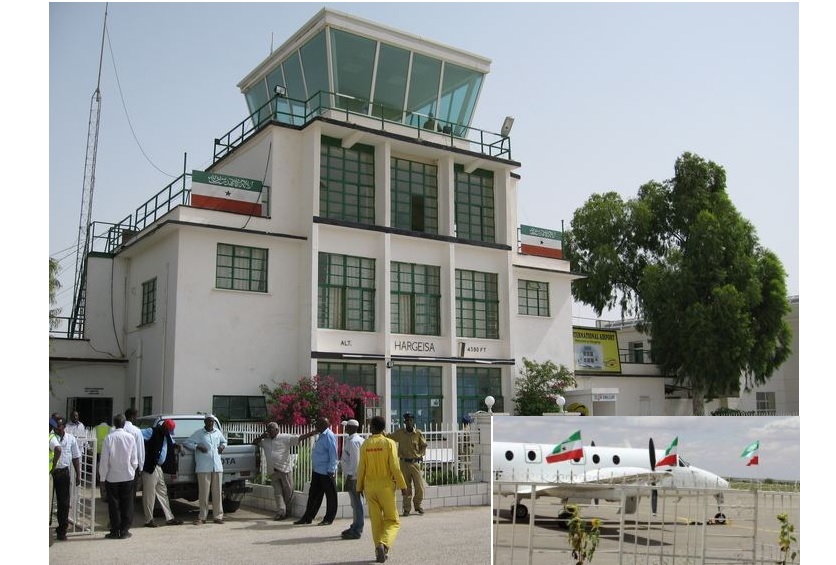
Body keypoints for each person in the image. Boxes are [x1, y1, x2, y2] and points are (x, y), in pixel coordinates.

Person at [357, 415, 406, 563]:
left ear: (371, 427)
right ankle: (383, 545)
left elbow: (361, 468)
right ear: (384, 428)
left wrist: (359, 487)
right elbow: (395, 467)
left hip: (369, 487)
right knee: (393, 520)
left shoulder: (365, 444)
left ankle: (378, 546)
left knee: (376, 521)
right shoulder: (389, 443)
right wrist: (403, 485)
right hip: (385, 487)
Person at [253, 422, 317, 521]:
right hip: (272, 471)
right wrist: (262, 436)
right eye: (268, 430)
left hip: (284, 470)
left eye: (271, 430)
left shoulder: (285, 437)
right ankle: (281, 512)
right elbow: (254, 442)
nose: (269, 432)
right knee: (277, 493)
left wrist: (312, 433)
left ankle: (287, 511)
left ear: (277, 430)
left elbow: (299, 438)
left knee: (288, 492)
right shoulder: (264, 440)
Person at [99, 413, 139, 540]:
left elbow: (104, 460)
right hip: (127, 475)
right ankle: (125, 530)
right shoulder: (130, 437)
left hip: (112, 477)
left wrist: (102, 479)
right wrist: (133, 469)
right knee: (127, 504)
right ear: (124, 423)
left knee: (114, 505)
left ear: (114, 424)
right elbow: (134, 459)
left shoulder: (109, 438)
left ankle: (115, 530)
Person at [293, 417, 338, 526]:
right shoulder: (320, 435)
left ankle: (328, 518)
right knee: (313, 495)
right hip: (317, 470)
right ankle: (307, 517)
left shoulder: (329, 436)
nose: (315, 426)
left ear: (324, 425)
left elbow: (333, 454)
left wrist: (331, 469)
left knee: (330, 496)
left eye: (317, 424)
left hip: (326, 471)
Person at [183, 415, 227, 524]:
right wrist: (198, 446)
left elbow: (224, 441)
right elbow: (187, 443)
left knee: (217, 492)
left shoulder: (217, 432)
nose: (211, 423)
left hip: (216, 466)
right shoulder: (199, 433)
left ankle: (218, 516)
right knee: (204, 493)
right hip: (203, 467)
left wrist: (222, 446)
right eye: (208, 421)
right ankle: (202, 517)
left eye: (212, 421)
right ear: (205, 422)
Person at [140, 419, 183, 527]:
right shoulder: (151, 431)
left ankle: (170, 518)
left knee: (163, 492)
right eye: (169, 430)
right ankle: (148, 520)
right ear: (164, 428)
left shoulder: (166, 435)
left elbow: (172, 442)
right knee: (149, 495)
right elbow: (137, 434)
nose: (169, 433)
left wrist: (178, 446)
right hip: (150, 467)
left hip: (158, 468)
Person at [388, 412, 427, 516]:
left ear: (413, 421)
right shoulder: (400, 433)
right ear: (404, 422)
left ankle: (418, 505)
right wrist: (381, 432)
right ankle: (406, 509)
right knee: (406, 487)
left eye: (410, 420)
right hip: (404, 463)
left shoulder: (418, 433)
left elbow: (424, 445)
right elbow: (389, 437)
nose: (409, 422)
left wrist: (420, 454)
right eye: (407, 420)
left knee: (419, 486)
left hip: (415, 463)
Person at [50, 417, 82, 540]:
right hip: (51, 473)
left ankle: (62, 530)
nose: (56, 428)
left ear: (64, 427)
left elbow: (75, 457)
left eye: (59, 426)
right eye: (55, 426)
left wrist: (78, 474)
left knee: (63, 503)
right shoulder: (50, 437)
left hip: (63, 473)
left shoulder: (70, 438)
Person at [340, 419, 365, 540]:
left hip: (354, 477)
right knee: (355, 503)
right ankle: (355, 525)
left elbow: (356, 462)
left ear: (353, 428)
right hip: (354, 476)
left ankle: (357, 529)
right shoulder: (354, 440)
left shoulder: (354, 442)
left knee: (356, 503)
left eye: (348, 427)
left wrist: (350, 477)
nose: (345, 429)